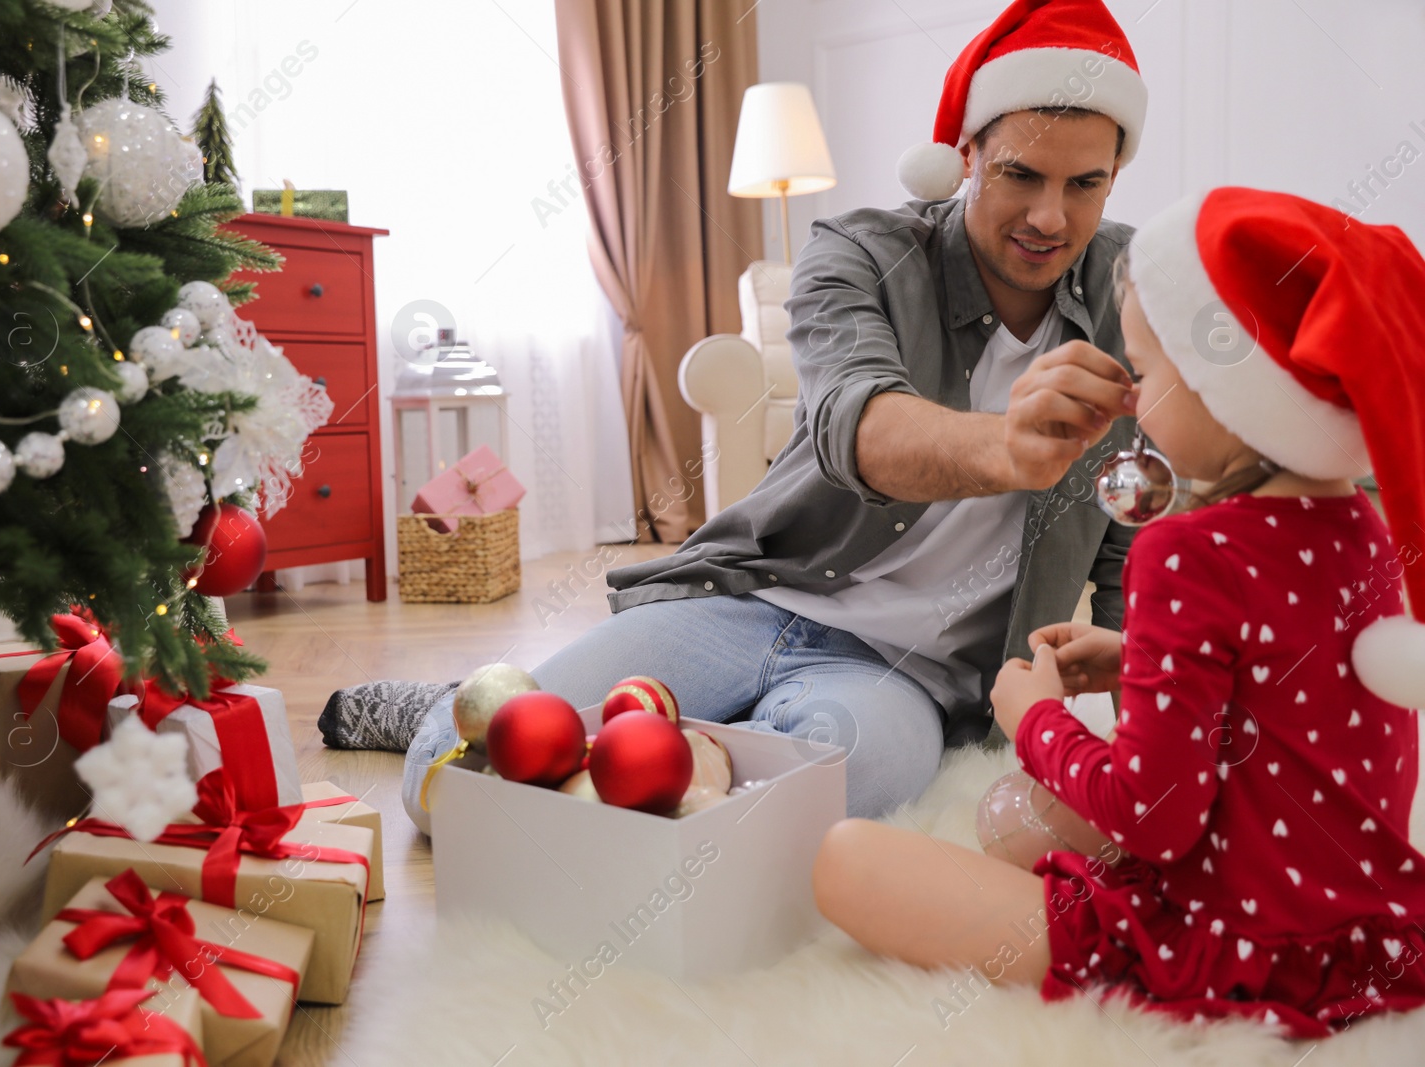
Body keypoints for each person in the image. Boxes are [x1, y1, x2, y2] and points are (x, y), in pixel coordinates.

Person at [326, 0, 1154, 834]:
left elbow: (1132, 536)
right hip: (754, 599)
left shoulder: (1132, 292)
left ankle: (678, 747)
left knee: (839, 790)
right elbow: (854, 428)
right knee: (458, 779)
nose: (1051, 217)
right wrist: (1004, 446)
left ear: (1113, 177)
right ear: (966, 155)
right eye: (1020, 175)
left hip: (906, 675)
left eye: (1084, 184)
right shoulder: (861, 252)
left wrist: (1143, 726)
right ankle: (457, 704)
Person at [810, 185, 1425, 1037]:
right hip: (1359, 929)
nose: (1132, 396)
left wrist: (1036, 719)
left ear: (1224, 389)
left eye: (1147, 369)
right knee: (1010, 828)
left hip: (1222, 940)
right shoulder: (1362, 525)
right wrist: (1142, 653)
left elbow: (1154, 818)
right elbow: (1289, 690)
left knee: (845, 860)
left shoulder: (1189, 549)